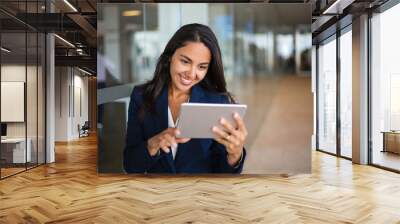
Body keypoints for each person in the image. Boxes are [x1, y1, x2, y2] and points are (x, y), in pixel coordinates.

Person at [123, 23, 247, 174]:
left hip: (200, 194)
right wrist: (153, 144)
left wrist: (235, 155)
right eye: (185, 61)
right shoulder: (141, 97)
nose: (191, 74)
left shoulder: (217, 102)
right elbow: (130, 165)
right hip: (156, 194)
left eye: (201, 67)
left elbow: (222, 173)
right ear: (170, 57)